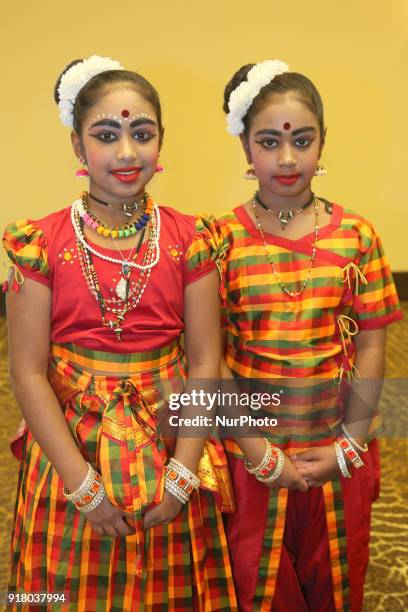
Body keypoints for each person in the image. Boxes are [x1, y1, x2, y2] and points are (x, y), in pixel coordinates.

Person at [3, 55, 237, 611]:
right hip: (70, 447)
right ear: (78, 150)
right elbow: (27, 372)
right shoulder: (40, 244)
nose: (127, 152)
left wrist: (183, 474)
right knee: (61, 591)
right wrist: (81, 486)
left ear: (162, 141)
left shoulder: (190, 239)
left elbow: (205, 362)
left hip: (171, 439)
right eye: (107, 135)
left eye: (142, 133)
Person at [213, 60, 403, 611]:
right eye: (269, 142)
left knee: (335, 588)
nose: (288, 158)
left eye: (303, 140)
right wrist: (256, 452)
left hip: (338, 454)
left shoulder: (357, 236)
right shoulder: (219, 240)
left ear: (324, 142)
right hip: (249, 459)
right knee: (254, 589)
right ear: (246, 149)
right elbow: (208, 358)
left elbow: (370, 345)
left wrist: (350, 443)